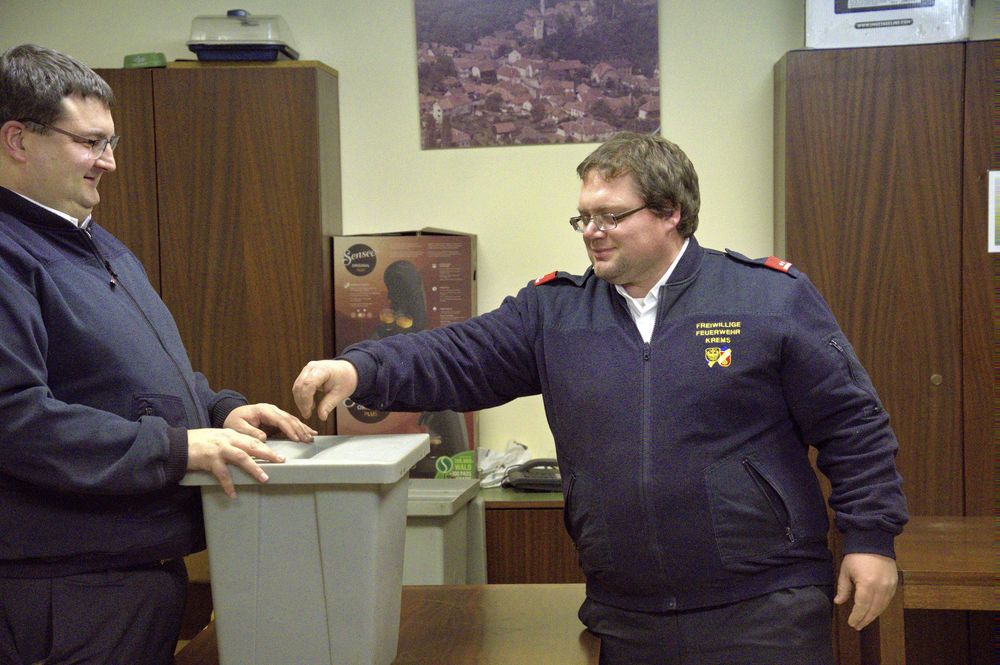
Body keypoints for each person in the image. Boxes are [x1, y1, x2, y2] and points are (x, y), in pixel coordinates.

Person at [293, 132, 908, 664]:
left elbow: (853, 424)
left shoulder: (766, 299)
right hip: (626, 612)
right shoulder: (554, 312)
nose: (592, 231)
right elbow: (458, 354)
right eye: (584, 217)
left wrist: (871, 539)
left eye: (611, 216)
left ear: (670, 213)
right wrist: (360, 369)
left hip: (765, 605)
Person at [0, 44, 316, 665]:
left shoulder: (97, 244)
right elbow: (14, 418)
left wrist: (220, 411)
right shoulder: (11, 254)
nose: (109, 162)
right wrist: (176, 448)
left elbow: (142, 375)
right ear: (18, 140)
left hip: (135, 573)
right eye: (90, 143)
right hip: (64, 589)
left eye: (111, 142)